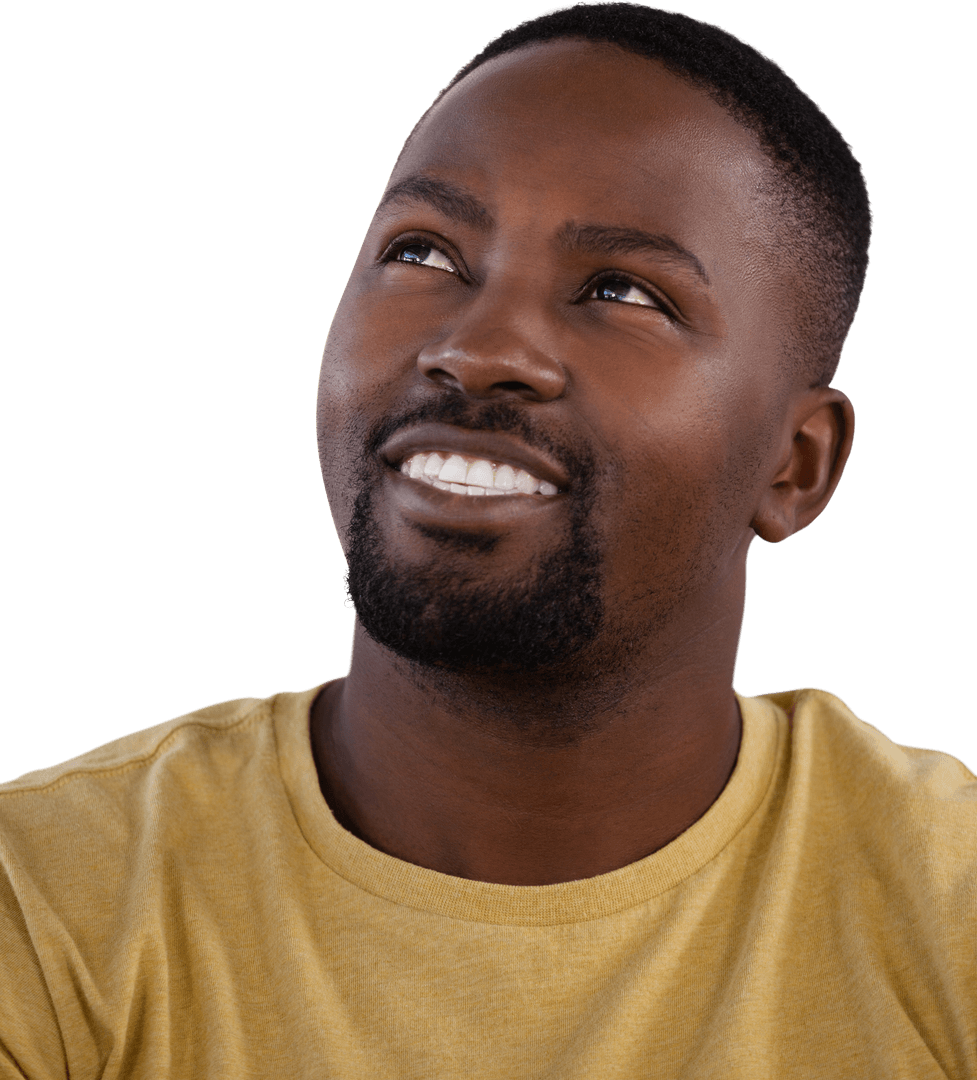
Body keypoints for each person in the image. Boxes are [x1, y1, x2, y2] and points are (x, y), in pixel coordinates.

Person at [1, 3, 974, 1076]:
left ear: (792, 466)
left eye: (620, 290)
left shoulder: (947, 904)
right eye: (424, 251)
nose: (477, 348)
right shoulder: (45, 905)